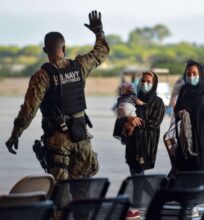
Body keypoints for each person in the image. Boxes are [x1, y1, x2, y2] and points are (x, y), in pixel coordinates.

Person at [5, 10, 109, 181]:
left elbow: (29, 110)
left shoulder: (42, 75)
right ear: (64, 48)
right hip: (81, 137)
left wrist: (16, 134)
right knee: (82, 189)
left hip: (57, 142)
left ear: (45, 49)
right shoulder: (80, 66)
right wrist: (99, 32)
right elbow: (101, 51)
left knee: (60, 193)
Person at [118, 70, 165, 218]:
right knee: (136, 173)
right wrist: (128, 120)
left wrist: (135, 120)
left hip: (146, 143)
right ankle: (158, 199)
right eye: (143, 81)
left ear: (154, 84)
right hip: (132, 142)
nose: (145, 84)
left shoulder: (157, 102)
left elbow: (154, 123)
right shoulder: (132, 99)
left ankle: (135, 209)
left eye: (148, 82)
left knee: (138, 174)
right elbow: (121, 117)